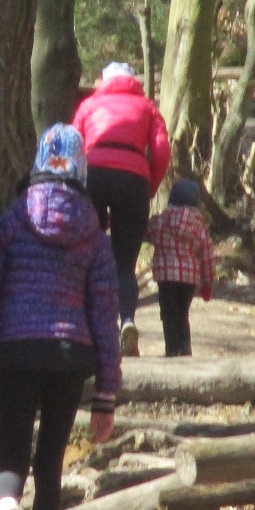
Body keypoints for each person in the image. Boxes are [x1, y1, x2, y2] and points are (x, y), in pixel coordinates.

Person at [0, 123, 121, 510]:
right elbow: (105, 318)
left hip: (17, 352)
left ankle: (8, 507)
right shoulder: (94, 237)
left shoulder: (12, 224)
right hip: (70, 358)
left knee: (11, 450)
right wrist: (106, 395)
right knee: (50, 460)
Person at [72, 61, 171, 357]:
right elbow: (162, 151)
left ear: (103, 81)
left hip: (93, 174)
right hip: (133, 179)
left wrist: (77, 188)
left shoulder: (89, 105)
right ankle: (127, 320)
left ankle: (85, 326)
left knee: (87, 252)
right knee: (125, 263)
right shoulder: (147, 107)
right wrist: (149, 186)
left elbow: (73, 145)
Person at [146, 178, 214, 357]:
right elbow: (206, 254)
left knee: (168, 313)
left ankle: (172, 348)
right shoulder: (199, 227)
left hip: (165, 276)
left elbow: (149, 232)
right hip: (188, 278)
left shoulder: (160, 221)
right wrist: (207, 282)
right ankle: (185, 347)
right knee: (183, 312)